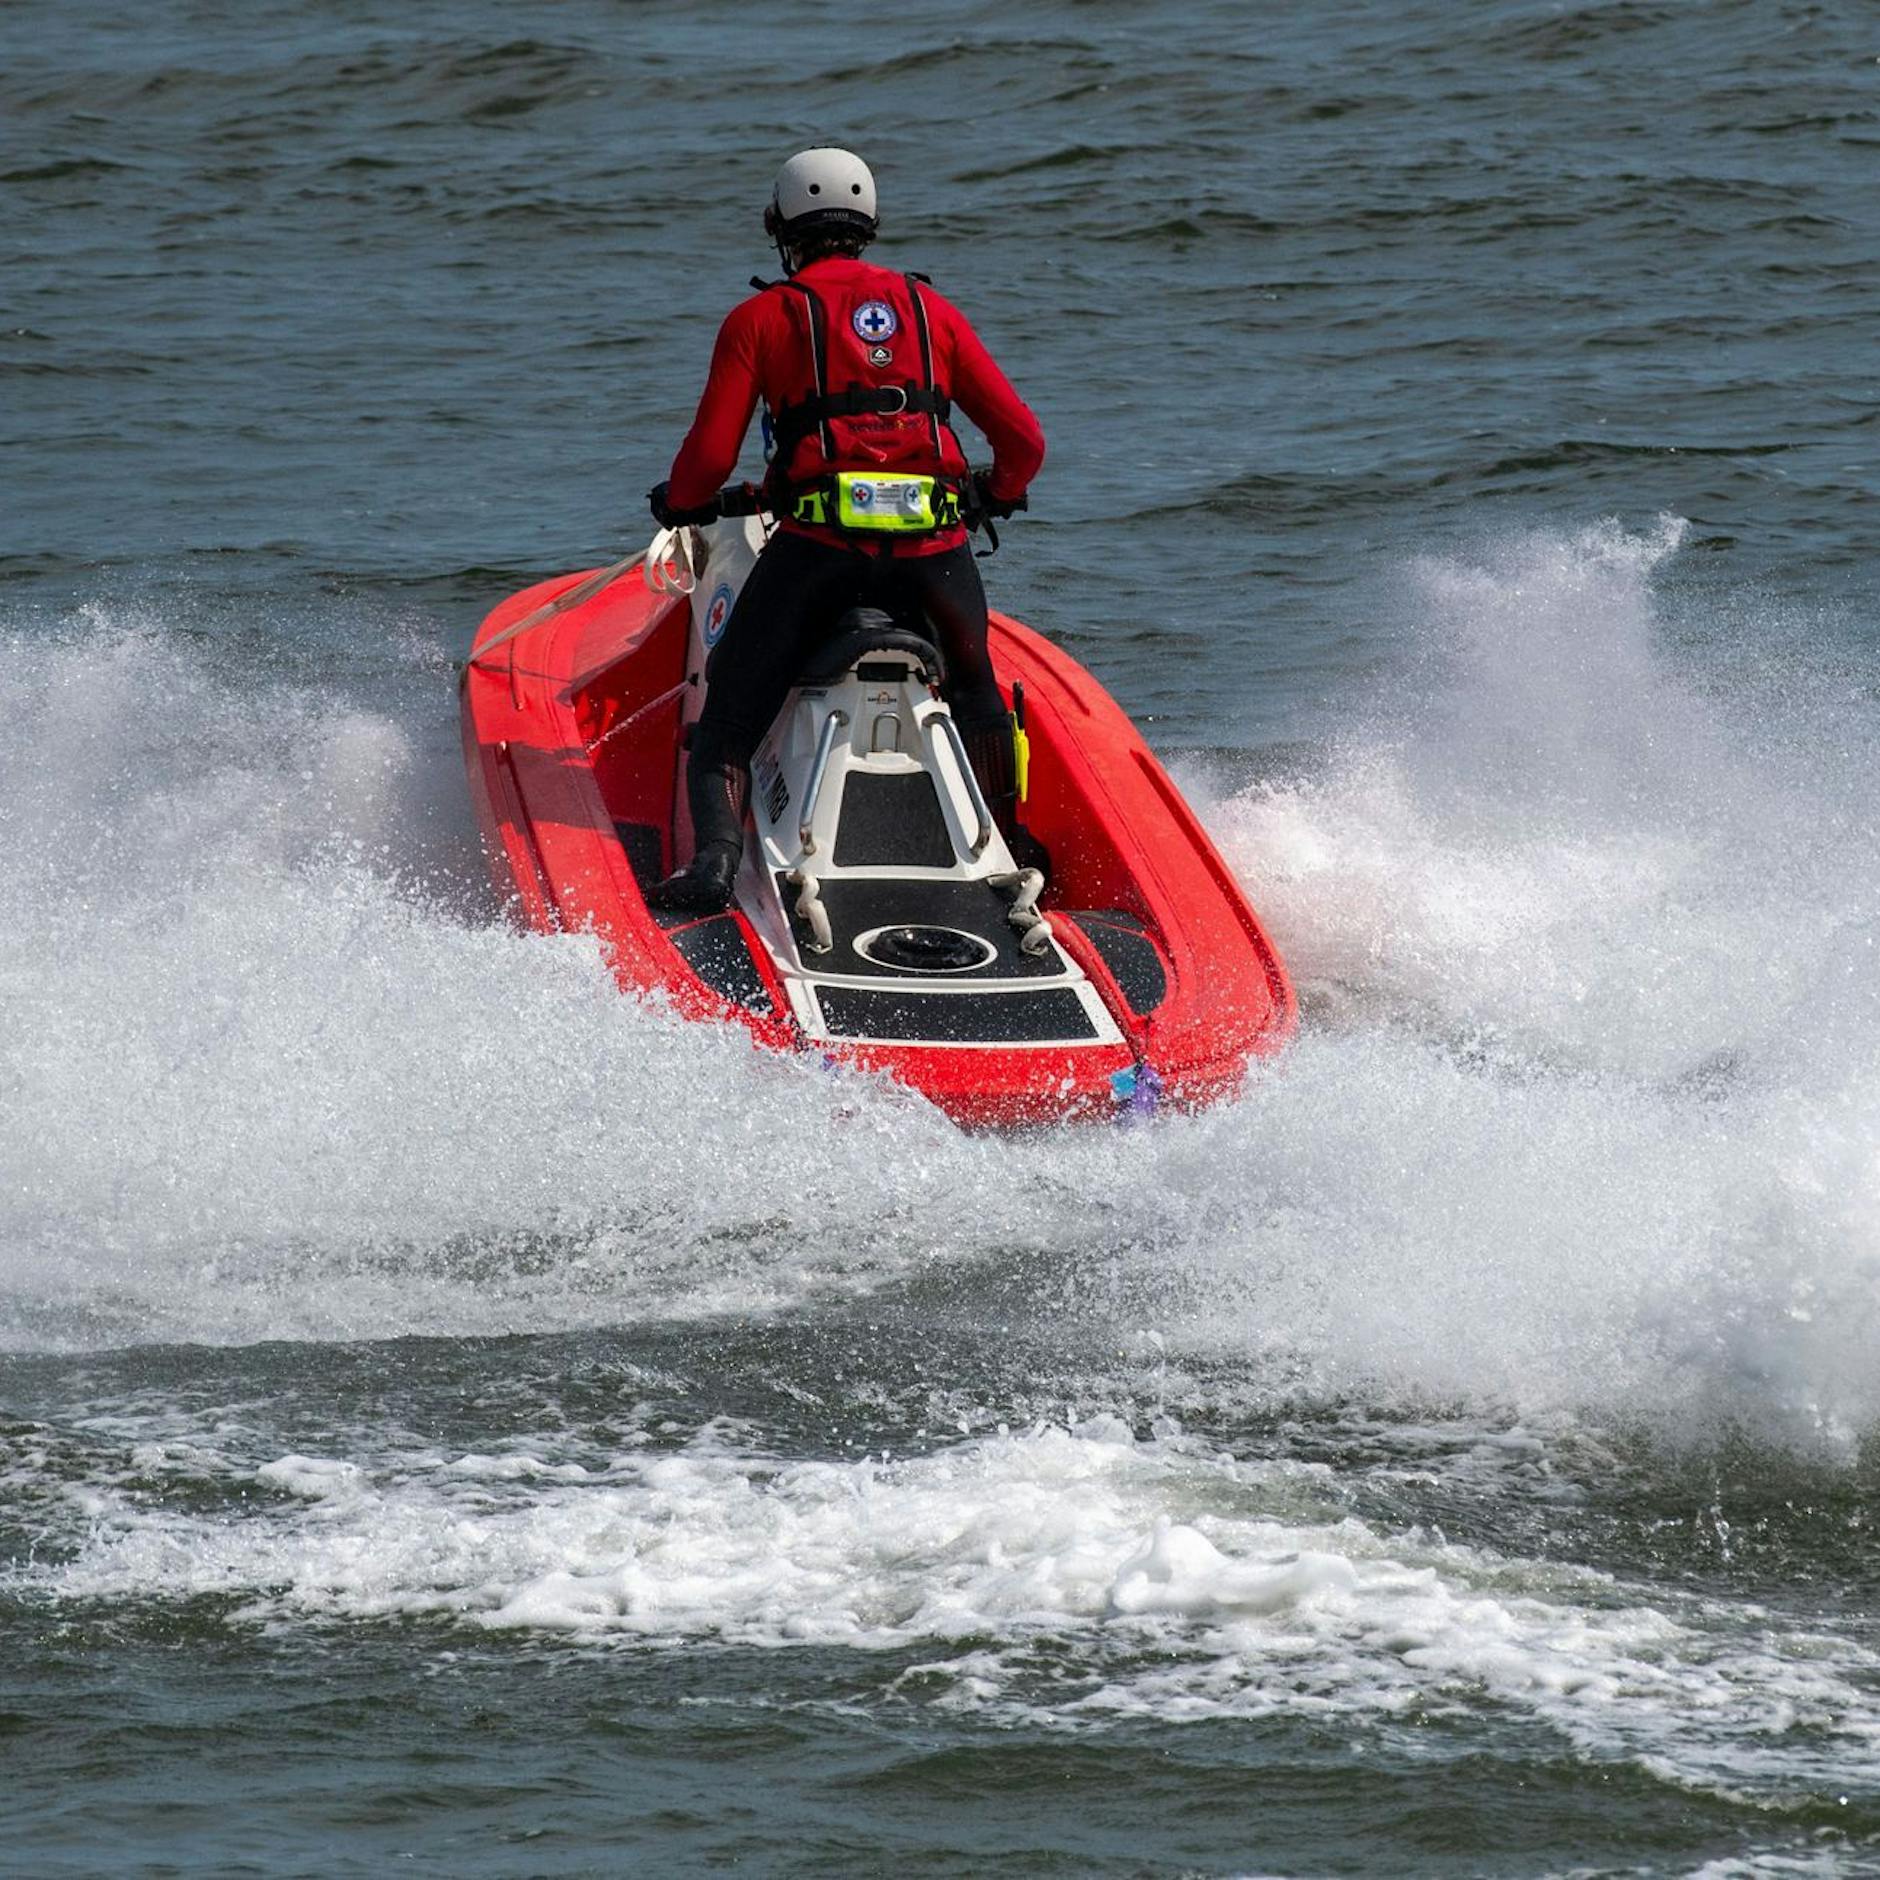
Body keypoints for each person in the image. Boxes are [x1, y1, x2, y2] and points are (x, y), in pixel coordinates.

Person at [646, 146, 1046, 912]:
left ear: (780, 228)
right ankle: (1009, 845)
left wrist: (684, 503)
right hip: (935, 555)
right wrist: (996, 492)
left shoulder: (761, 317)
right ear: (868, 226)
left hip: (820, 554)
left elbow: (706, 460)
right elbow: (1025, 442)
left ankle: (715, 868)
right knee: (977, 688)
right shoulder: (934, 311)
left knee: (726, 713)